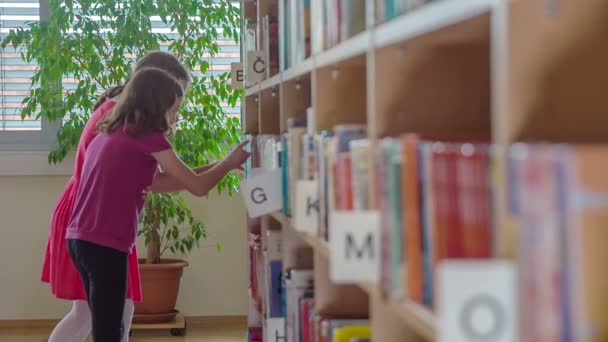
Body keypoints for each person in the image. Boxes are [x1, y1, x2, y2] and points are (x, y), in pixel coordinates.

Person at [66, 66, 250, 342]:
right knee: (109, 332)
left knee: (110, 323)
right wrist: (228, 161)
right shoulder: (148, 137)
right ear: (157, 105)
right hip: (104, 245)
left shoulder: (117, 131)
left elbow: (166, 182)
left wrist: (226, 165)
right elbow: (198, 187)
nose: (176, 116)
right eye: (174, 108)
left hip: (81, 240)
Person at [42, 51, 192, 342]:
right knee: (90, 313)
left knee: (113, 310)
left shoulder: (123, 112)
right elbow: (150, 180)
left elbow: (147, 180)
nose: (176, 108)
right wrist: (203, 175)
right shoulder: (124, 118)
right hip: (91, 217)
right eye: (175, 96)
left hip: (94, 217)